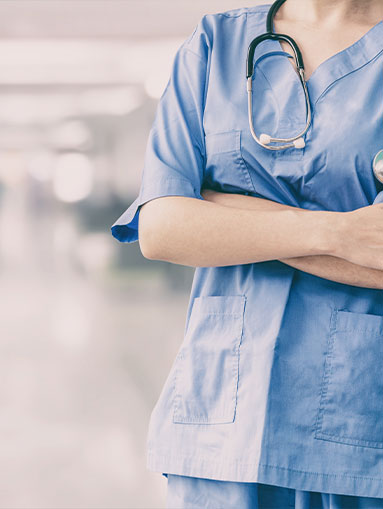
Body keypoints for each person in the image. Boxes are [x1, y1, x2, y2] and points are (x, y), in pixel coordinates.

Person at [110, 0, 383, 507]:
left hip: (359, 428)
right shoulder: (216, 43)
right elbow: (163, 229)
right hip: (220, 419)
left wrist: (219, 214)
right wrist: (339, 232)